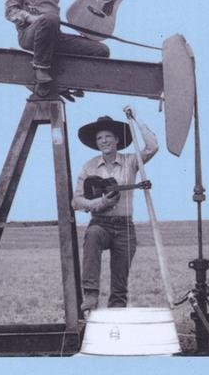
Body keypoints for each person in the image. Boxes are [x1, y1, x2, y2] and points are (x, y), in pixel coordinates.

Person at [71, 107, 159, 313]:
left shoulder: (131, 161)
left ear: (117, 139)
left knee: (120, 283)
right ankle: (90, 295)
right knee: (92, 235)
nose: (104, 141)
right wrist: (99, 203)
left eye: (108, 136)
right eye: (100, 138)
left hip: (125, 226)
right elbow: (76, 201)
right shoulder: (88, 167)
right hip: (100, 223)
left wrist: (136, 118)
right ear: (96, 143)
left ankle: (116, 317)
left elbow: (153, 146)